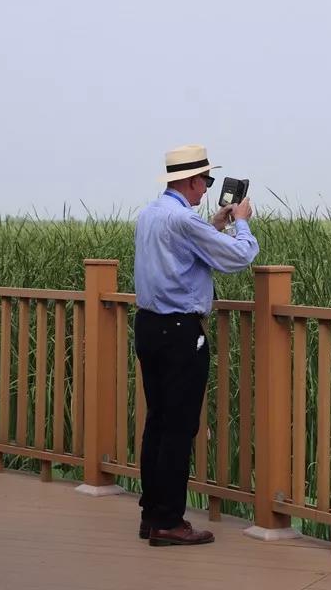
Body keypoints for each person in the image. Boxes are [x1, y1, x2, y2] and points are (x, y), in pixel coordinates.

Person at [133, 144, 258, 546]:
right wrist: (241, 223)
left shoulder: (151, 214)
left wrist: (214, 225)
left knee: (157, 422)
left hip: (148, 326)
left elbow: (183, 251)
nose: (207, 187)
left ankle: (152, 513)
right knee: (179, 427)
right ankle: (169, 521)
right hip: (180, 332)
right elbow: (239, 257)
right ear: (190, 181)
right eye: (205, 180)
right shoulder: (184, 219)